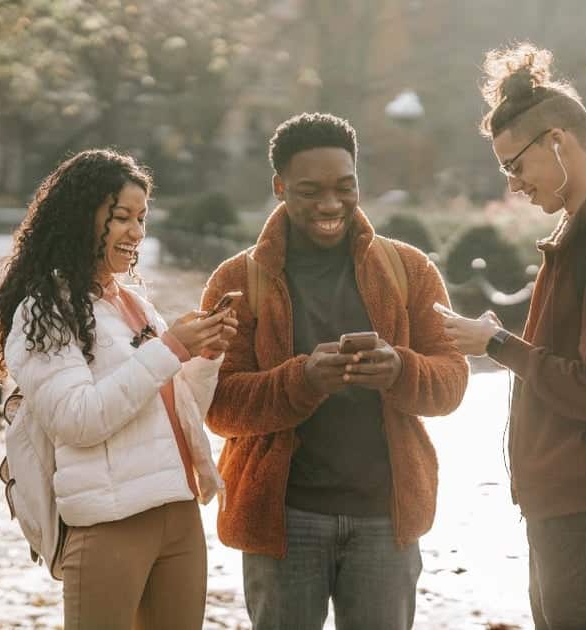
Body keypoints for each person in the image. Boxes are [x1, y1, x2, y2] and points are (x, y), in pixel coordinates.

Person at [441, 44, 586, 629]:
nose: (514, 184)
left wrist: (496, 346)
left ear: (557, 140)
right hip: (566, 498)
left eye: (515, 166)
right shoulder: (584, 228)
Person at [201, 113, 469, 630]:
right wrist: (301, 381)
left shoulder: (408, 269)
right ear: (279, 187)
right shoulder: (238, 280)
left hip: (386, 518)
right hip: (283, 520)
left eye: (345, 187)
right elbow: (218, 406)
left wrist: (400, 370)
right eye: (310, 191)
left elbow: (452, 380)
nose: (331, 204)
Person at [0, 149, 236, 629]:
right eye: (121, 218)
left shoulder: (133, 305)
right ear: (80, 219)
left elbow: (178, 410)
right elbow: (78, 420)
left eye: (142, 218)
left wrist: (206, 355)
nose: (136, 232)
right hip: (110, 523)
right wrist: (171, 347)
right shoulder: (44, 312)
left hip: (177, 512)